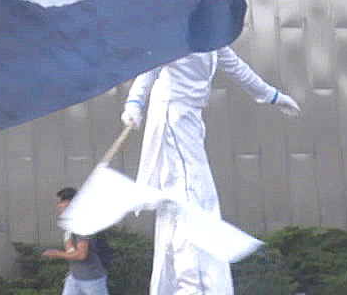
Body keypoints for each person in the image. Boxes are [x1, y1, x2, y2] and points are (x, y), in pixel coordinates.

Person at [121, 47, 299, 294]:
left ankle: (186, 281)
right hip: (172, 115)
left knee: (192, 198)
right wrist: (134, 104)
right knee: (189, 196)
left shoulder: (214, 41)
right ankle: (192, 283)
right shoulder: (177, 34)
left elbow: (239, 70)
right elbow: (147, 72)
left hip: (191, 117)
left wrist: (273, 96)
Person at [44, 186, 112, 295]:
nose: (59, 206)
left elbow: (81, 255)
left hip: (91, 278)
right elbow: (70, 250)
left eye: (61, 203)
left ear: (69, 202)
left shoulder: (82, 223)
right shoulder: (71, 223)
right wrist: (69, 250)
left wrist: (57, 254)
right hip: (75, 276)